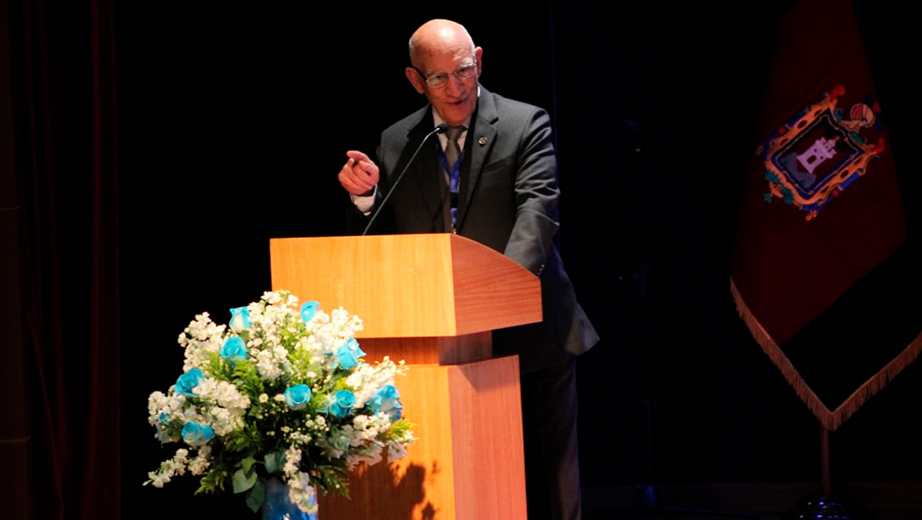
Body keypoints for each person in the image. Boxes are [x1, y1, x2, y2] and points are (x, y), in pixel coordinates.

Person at [337, 19, 599, 520]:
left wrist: (498, 295)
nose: (456, 87)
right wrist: (367, 195)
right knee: (469, 480)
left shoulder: (526, 123)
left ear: (478, 59)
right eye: (438, 78)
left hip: (530, 332)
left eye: (463, 70)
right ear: (416, 81)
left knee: (548, 482)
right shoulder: (398, 141)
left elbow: (537, 212)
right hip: (441, 344)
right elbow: (388, 241)